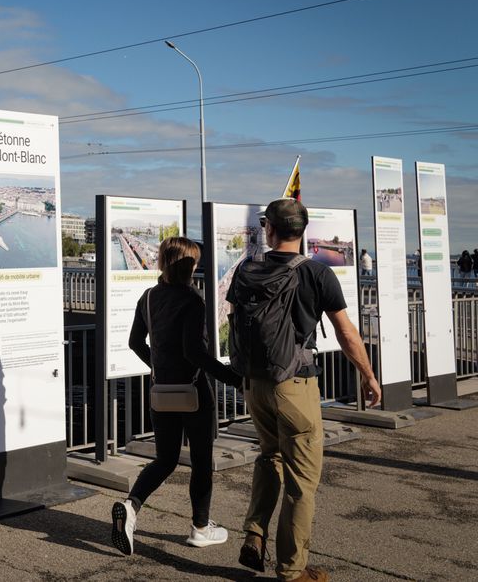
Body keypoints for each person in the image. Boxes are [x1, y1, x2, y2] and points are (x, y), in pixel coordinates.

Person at [229, 199, 381, 582]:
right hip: (295, 386)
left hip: (255, 384)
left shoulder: (246, 269)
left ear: (270, 229)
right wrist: (368, 375)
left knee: (269, 456)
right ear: (304, 231)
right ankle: (293, 570)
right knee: (302, 481)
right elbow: (346, 333)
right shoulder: (317, 273)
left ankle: (255, 532)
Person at [112, 237, 243, 556]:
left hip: (161, 391)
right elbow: (194, 352)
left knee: (166, 459)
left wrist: (159, 367)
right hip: (193, 393)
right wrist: (231, 378)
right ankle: (200, 527)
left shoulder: (148, 297)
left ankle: (131, 508)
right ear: (190, 266)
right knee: (200, 461)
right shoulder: (192, 300)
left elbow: (135, 342)